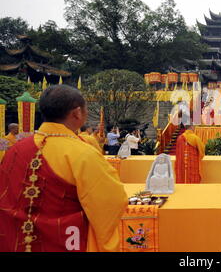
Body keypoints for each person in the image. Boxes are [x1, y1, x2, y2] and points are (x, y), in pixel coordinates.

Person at [0, 85, 128, 252]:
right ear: (77, 113)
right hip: (65, 241)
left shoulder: (14, 150)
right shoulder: (83, 153)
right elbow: (112, 202)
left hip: (15, 241)